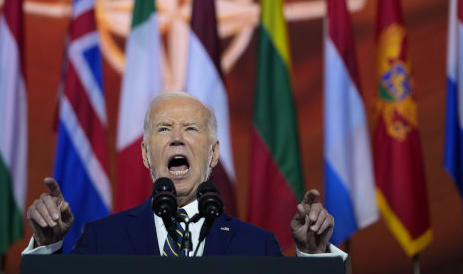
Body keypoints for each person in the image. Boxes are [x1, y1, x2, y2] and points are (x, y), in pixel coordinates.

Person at [23, 91, 346, 258]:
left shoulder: (255, 246)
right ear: (146, 155)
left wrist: (315, 258)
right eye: (164, 129)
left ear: (214, 154)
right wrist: (47, 248)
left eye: (191, 128)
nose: (177, 137)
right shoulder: (101, 239)